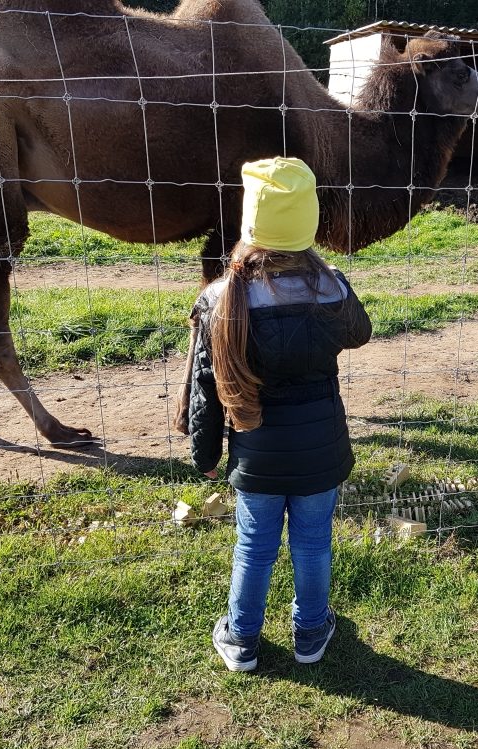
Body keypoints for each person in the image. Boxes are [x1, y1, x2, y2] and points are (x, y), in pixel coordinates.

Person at [188, 157, 372, 671]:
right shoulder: (332, 287)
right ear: (308, 223)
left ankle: (241, 639)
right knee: (313, 544)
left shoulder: (219, 298)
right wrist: (333, 281)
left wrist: (205, 455)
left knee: (254, 546)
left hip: (256, 455)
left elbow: (205, 389)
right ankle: (310, 633)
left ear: (250, 223)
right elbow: (360, 333)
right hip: (321, 452)